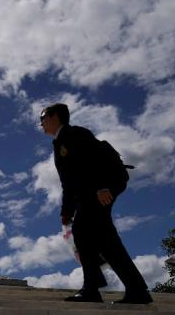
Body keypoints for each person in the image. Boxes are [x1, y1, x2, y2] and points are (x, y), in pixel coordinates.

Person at [41, 103, 151, 304]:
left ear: (55, 116)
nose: (41, 122)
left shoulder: (74, 134)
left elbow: (93, 160)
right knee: (107, 242)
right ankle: (136, 289)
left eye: (43, 117)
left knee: (83, 234)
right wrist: (66, 211)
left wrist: (101, 187)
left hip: (98, 192)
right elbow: (68, 182)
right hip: (88, 195)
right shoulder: (59, 142)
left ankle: (92, 288)